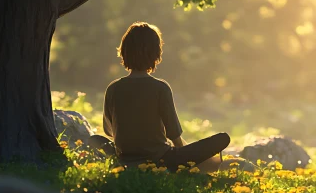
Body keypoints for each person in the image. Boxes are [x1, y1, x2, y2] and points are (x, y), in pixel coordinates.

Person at [90, 21, 229, 172]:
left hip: (125, 158)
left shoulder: (113, 88)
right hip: (162, 160)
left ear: (124, 51)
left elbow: (109, 131)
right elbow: (174, 135)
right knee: (223, 138)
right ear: (156, 53)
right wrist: (188, 158)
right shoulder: (160, 88)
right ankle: (203, 166)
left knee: (94, 139)